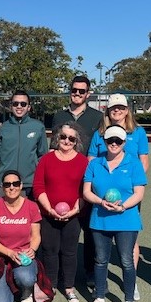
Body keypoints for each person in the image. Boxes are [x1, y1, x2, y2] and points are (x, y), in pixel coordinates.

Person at [87, 93, 149, 300]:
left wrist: (131, 189)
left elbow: (143, 162)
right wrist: (100, 194)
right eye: (114, 107)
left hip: (128, 194)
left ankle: (131, 283)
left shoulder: (138, 132)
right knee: (101, 252)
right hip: (102, 196)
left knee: (128, 241)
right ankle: (100, 285)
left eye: (121, 107)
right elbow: (92, 163)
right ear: (108, 110)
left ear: (127, 109)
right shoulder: (99, 133)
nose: (117, 111)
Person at [83, 126, 147, 302]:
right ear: (104, 141)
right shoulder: (95, 164)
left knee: (127, 261)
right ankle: (100, 298)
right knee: (101, 260)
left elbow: (139, 193)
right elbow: (86, 192)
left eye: (118, 141)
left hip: (126, 220)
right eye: (110, 140)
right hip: (100, 219)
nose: (114, 144)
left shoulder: (134, 163)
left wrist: (123, 207)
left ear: (124, 143)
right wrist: (100, 202)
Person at [50, 76, 104, 289]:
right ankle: (63, 273)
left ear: (88, 93)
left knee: (90, 229)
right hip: (63, 180)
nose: (78, 94)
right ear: (69, 91)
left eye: (82, 91)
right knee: (62, 226)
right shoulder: (58, 116)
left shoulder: (98, 117)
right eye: (74, 90)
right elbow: (53, 147)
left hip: (88, 179)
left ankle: (90, 271)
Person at [33, 122, 88, 302]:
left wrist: (73, 211)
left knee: (70, 252)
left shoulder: (82, 161)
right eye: (63, 137)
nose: (66, 141)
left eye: (71, 138)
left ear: (76, 141)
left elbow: (85, 190)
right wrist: (49, 209)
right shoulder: (46, 160)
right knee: (50, 250)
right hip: (48, 215)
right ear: (57, 138)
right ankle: (52, 284)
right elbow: (38, 186)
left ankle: (69, 287)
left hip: (73, 215)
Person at [0, 170, 43, 302]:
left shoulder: (31, 206)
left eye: (15, 184)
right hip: (0, 257)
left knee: (26, 278)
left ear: (21, 185)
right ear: (3, 187)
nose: (12, 187)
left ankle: (26, 289)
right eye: (7, 184)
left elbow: (36, 236)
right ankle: (9, 287)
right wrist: (9, 253)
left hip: (23, 256)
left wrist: (32, 249)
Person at [0, 90, 48, 200]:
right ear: (11, 106)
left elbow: (43, 157)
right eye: (15, 103)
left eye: (23, 104)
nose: (19, 106)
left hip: (29, 185)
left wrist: (40, 182)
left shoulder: (38, 127)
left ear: (29, 107)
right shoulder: (3, 128)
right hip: (5, 185)